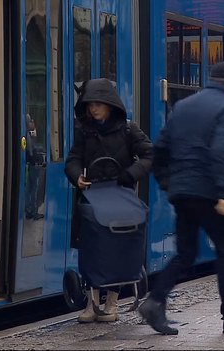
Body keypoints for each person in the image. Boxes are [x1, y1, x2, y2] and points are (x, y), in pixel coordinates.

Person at [140, 62, 224, 335]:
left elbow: (159, 148)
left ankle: (155, 300)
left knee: (186, 253)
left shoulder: (183, 106)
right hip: (211, 193)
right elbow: (222, 152)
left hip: (183, 192)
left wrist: (169, 184)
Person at [64, 78, 153, 323]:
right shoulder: (85, 131)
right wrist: (76, 178)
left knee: (117, 249)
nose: (93, 109)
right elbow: (73, 159)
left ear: (110, 105)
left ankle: (111, 304)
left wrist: (130, 175)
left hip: (119, 196)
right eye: (90, 105)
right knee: (92, 249)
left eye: (98, 104)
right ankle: (93, 305)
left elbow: (150, 155)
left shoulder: (128, 129)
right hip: (92, 196)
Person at [25, 114, 44, 220]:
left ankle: (29, 210)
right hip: (35, 164)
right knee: (34, 188)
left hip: (32, 163)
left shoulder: (27, 134)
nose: (34, 124)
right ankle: (33, 211)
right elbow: (30, 152)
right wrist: (38, 160)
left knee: (29, 188)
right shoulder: (27, 135)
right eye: (32, 121)